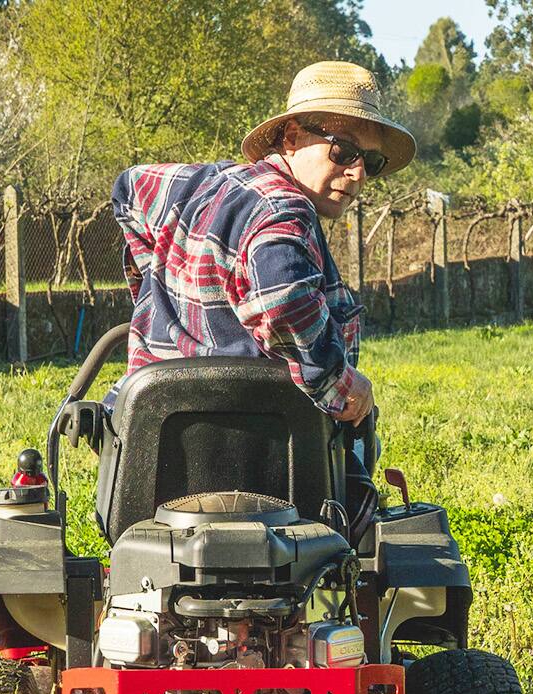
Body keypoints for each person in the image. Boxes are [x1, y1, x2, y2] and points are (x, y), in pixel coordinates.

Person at [110, 61, 416, 535]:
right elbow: (284, 300)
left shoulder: (200, 184)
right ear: (291, 137)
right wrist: (342, 385)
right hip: (275, 475)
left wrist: (156, 292)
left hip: (155, 463)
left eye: (370, 163)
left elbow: (128, 189)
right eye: (343, 151)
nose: (356, 174)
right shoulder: (285, 211)